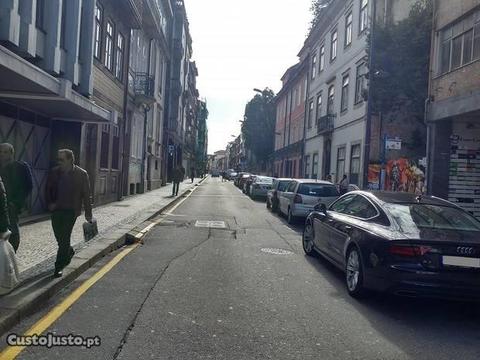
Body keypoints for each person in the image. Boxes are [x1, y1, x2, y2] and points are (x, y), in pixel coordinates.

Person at [45, 149, 93, 278]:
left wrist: (89, 214)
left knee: (65, 237)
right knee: (60, 238)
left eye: (62, 159)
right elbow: (47, 190)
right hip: (56, 210)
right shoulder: (54, 172)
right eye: (58, 159)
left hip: (71, 211)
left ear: (70, 160)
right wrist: (50, 204)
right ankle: (69, 250)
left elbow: (86, 195)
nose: (59, 162)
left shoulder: (81, 174)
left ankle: (58, 266)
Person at [0, 143, 33, 252]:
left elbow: (28, 186)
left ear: (11, 153)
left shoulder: (20, 167)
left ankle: (11, 254)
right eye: (0, 152)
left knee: (12, 230)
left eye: (5, 152)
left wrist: (16, 202)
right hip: (2, 203)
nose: (2, 154)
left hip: (11, 205)